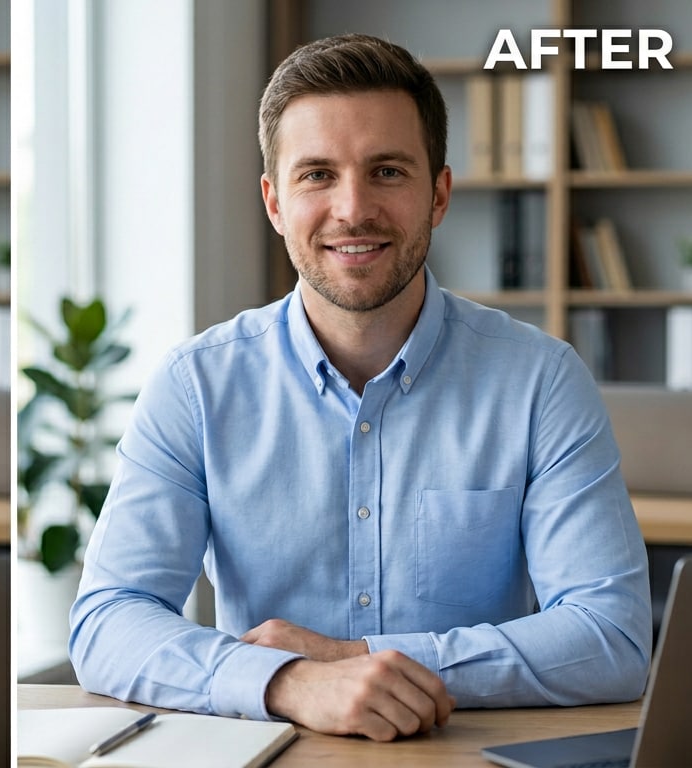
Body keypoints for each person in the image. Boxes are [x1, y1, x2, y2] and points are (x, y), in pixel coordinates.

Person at [69, 34, 651, 742]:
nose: (353, 209)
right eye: (317, 174)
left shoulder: (541, 381)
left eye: (386, 171)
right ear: (275, 202)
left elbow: (611, 638)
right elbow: (108, 621)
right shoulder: (197, 385)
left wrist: (359, 660)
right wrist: (291, 681)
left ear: (438, 193)